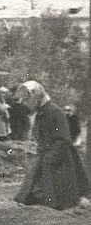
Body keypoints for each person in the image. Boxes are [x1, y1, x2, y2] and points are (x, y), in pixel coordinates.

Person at [13, 81, 90, 210]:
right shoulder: (42, 112)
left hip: (60, 158)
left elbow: (64, 139)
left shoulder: (54, 112)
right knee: (38, 188)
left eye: (28, 100)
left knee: (59, 193)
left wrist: (50, 158)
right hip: (46, 155)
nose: (26, 103)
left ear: (36, 97)